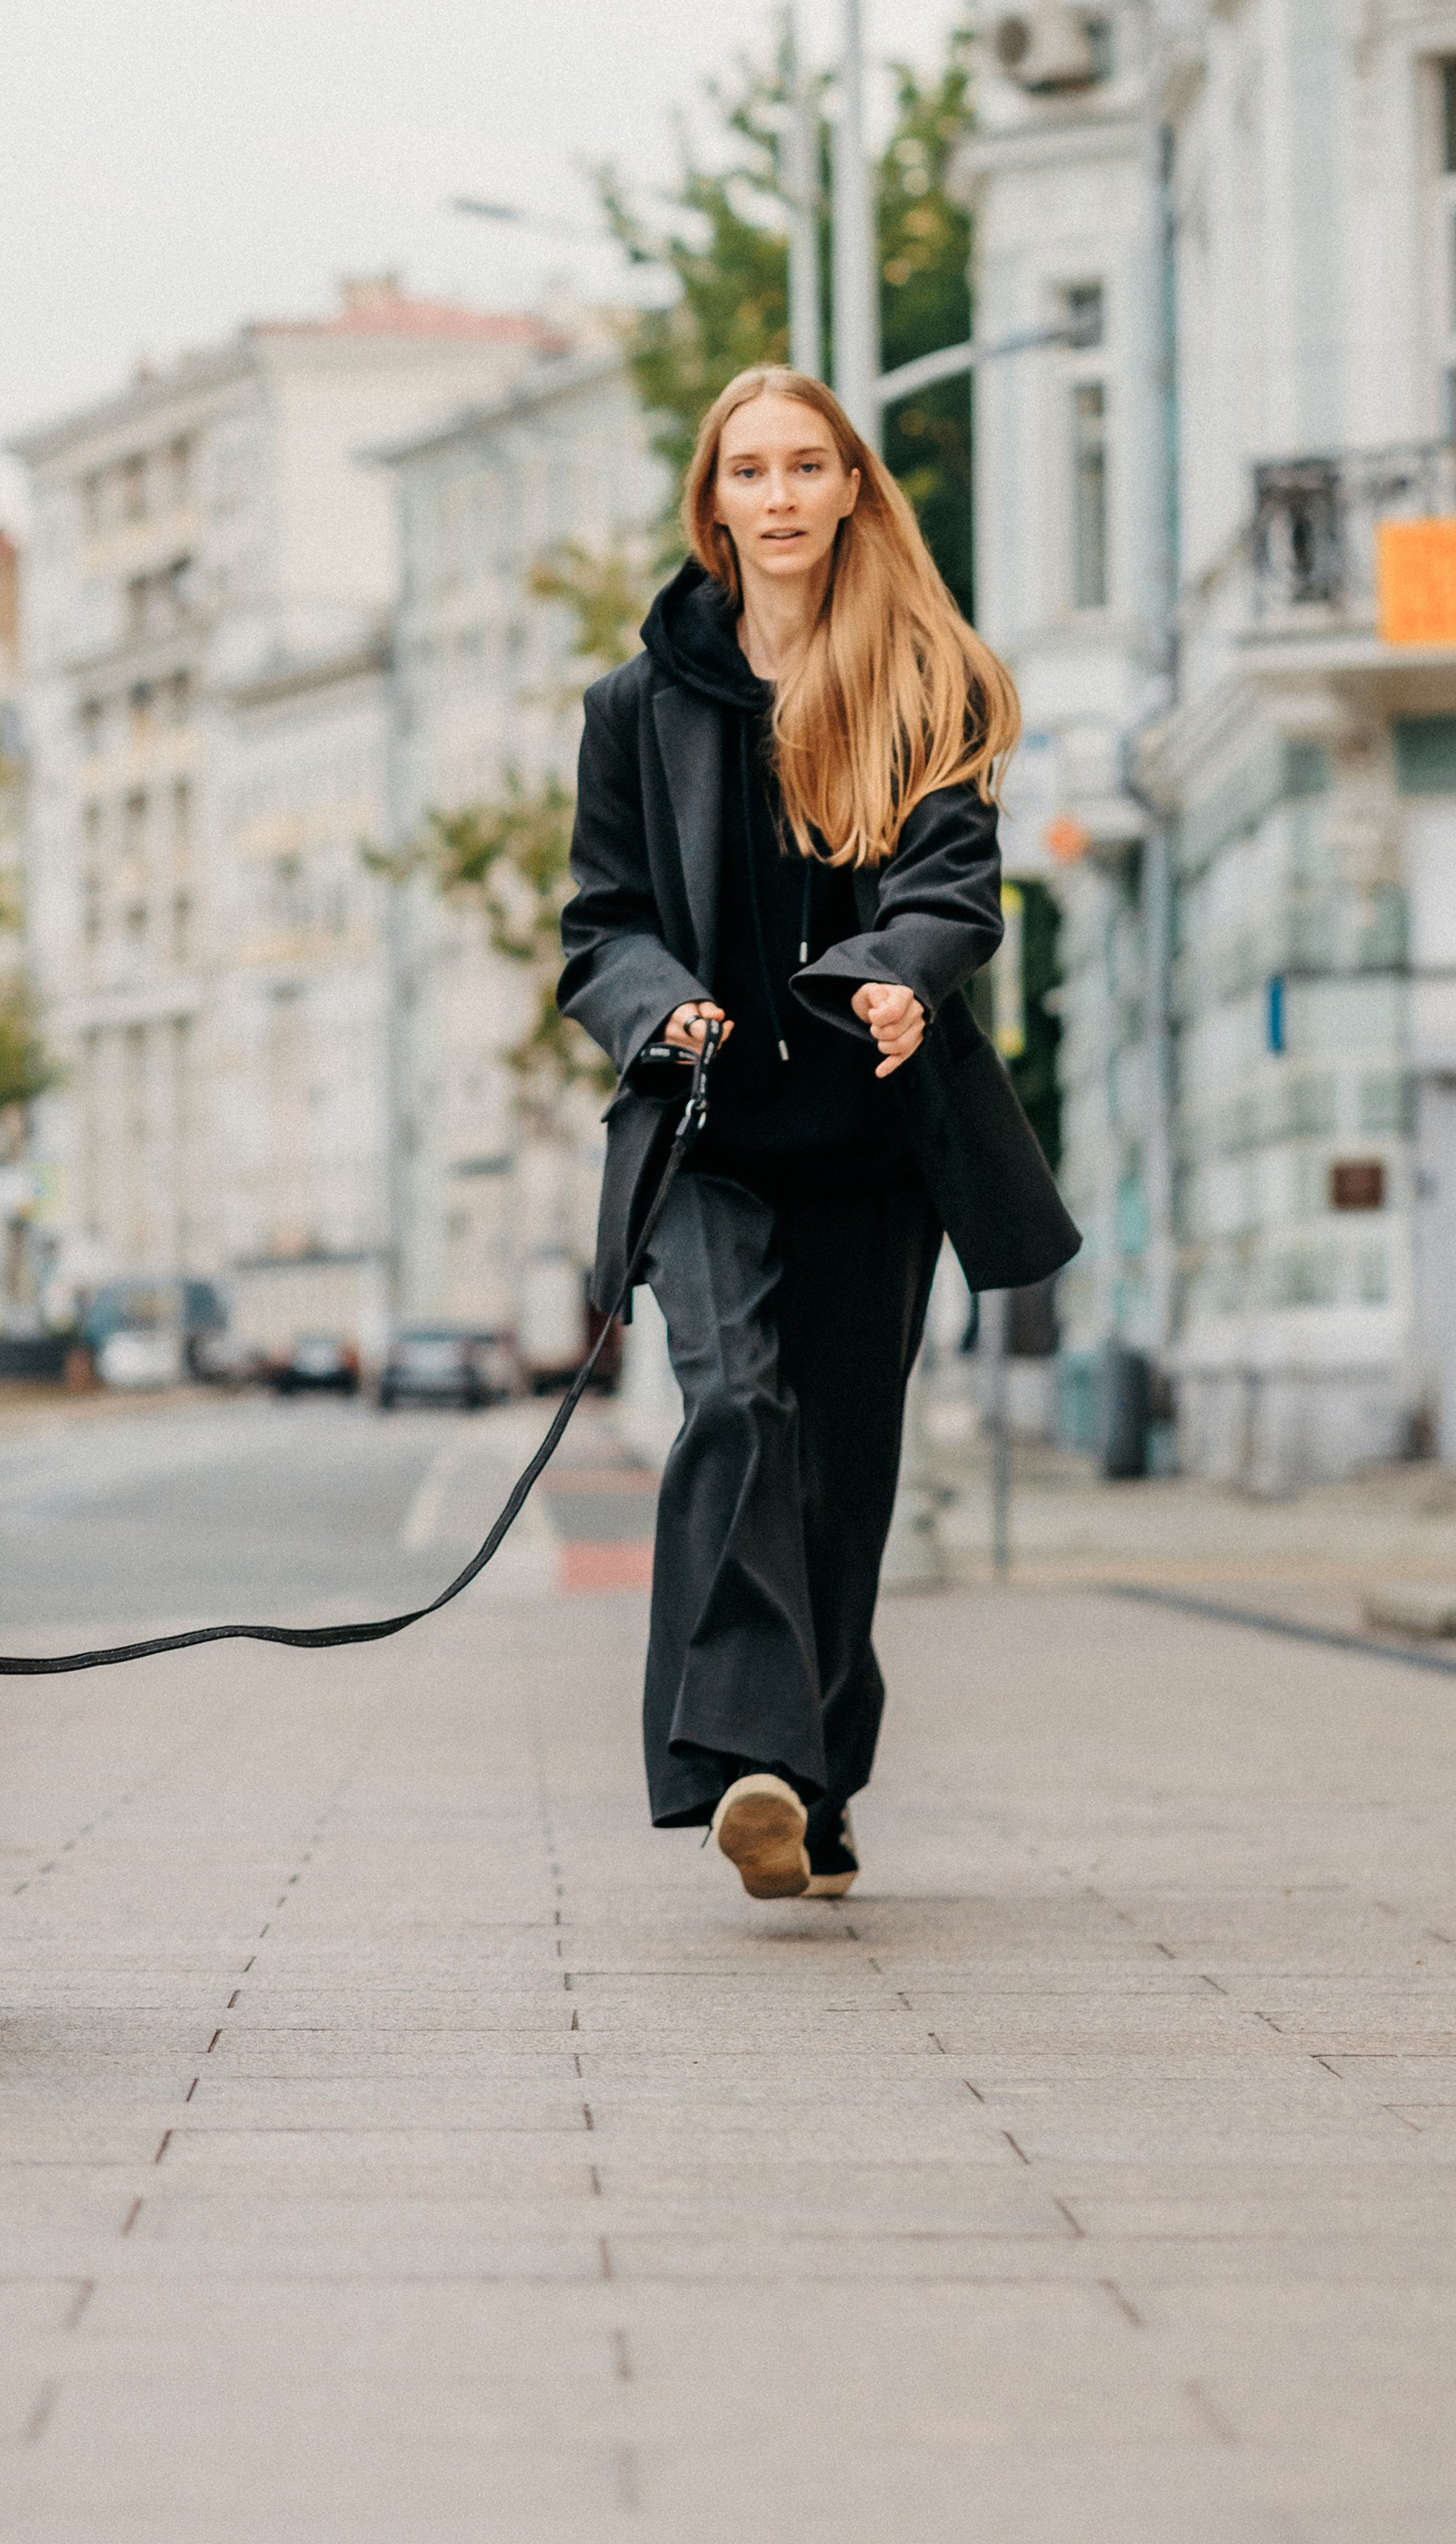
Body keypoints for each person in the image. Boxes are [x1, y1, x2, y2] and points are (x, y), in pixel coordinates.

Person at [557, 365, 1079, 1903]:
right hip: (711, 1140)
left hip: (870, 1148)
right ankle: (751, 1761)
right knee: (737, 1402)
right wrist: (663, 1007)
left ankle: (822, 1778)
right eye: (750, 470)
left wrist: (901, 979)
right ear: (712, 502)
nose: (779, 496)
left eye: (807, 466)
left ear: (852, 486)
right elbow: (600, 925)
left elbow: (954, 888)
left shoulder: (932, 678)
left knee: (847, 1469)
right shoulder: (635, 710)